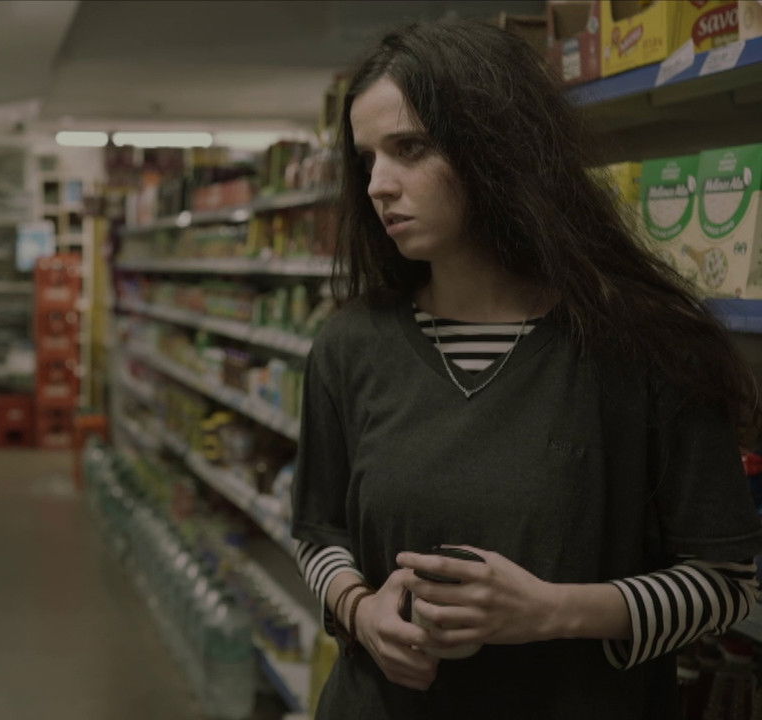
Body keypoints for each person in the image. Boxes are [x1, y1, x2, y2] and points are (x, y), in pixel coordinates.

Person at [290, 20, 762, 718]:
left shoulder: (649, 347)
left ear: (494, 145)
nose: (378, 186)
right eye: (366, 160)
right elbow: (317, 531)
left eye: (410, 148)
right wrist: (360, 613)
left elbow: (726, 585)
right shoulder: (350, 344)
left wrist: (555, 611)